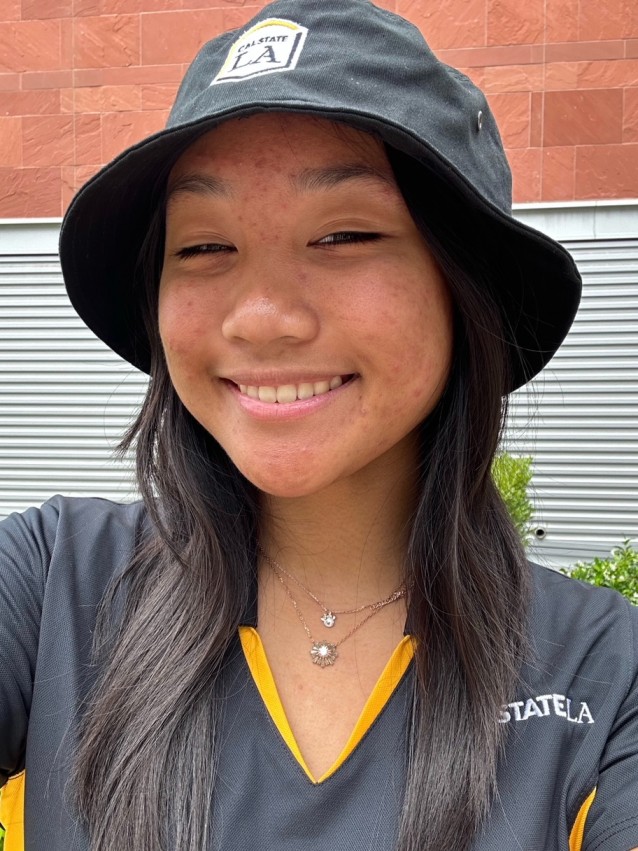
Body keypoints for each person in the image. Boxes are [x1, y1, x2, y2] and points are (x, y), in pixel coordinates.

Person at [1, 1, 636, 849]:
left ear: (464, 287)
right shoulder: (52, 587)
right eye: (203, 246)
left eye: (343, 233)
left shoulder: (606, 674)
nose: (261, 319)